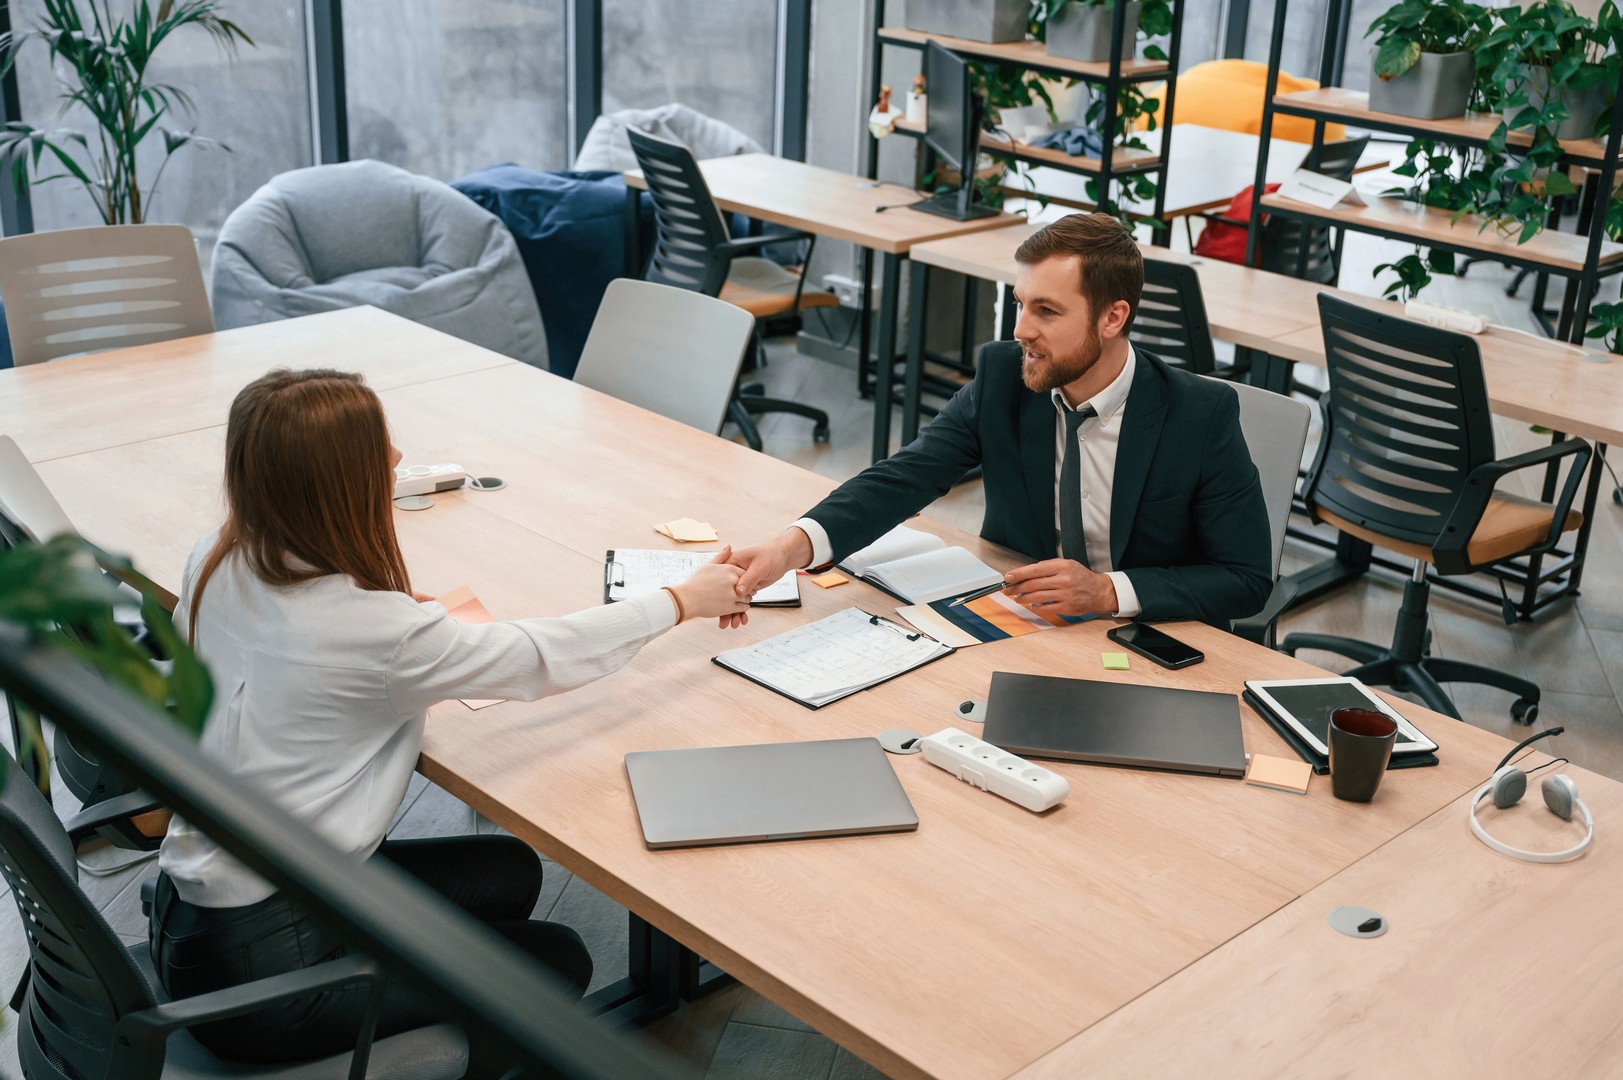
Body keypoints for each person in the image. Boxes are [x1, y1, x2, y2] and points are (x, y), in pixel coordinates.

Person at [151, 367, 750, 1073]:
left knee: (506, 872)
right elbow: (538, 658)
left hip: (197, 909)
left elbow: (317, 653)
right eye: (381, 449)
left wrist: (398, 622)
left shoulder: (216, 556)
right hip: (268, 980)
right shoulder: (370, 631)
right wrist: (681, 600)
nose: (398, 460)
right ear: (338, 484)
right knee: (556, 963)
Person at [725, 212, 1271, 628]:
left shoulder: (1200, 414)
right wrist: (788, 547)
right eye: (1021, 304)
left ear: (1113, 317)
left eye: (1047, 311)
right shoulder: (1005, 377)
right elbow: (902, 479)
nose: (1022, 330)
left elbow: (1246, 580)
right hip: (1019, 621)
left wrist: (1108, 591)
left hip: (1139, 638)